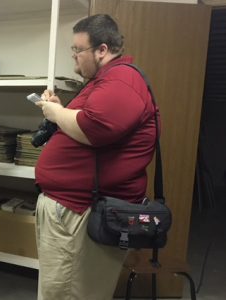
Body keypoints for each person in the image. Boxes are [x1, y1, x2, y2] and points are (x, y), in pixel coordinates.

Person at [34, 14, 159, 300]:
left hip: (82, 212)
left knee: (70, 293)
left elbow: (95, 129)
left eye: (78, 50)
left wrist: (54, 113)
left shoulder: (122, 79)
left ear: (102, 50)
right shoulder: (104, 81)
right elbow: (90, 122)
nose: (74, 58)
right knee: (63, 289)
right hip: (75, 207)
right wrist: (63, 110)